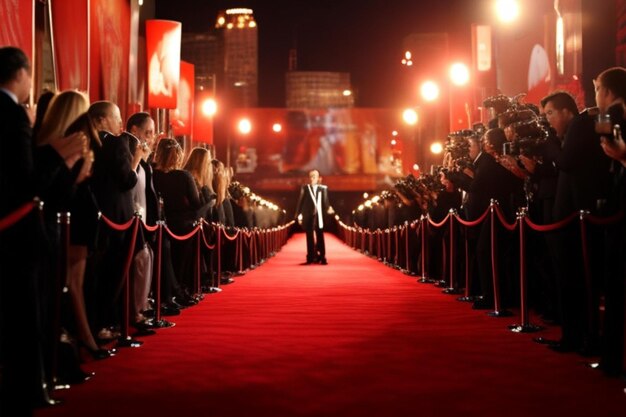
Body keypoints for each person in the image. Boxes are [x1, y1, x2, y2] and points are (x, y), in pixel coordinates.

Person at [0, 46, 87, 416]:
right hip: (19, 233)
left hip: (21, 229)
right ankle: (29, 393)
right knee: (25, 315)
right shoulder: (12, 116)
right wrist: (61, 156)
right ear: (21, 74)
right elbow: (27, 181)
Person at [294, 169, 333, 265]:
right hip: (308, 216)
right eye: (311, 176)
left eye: (314, 176)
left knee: (320, 236)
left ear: (318, 178)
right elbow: (301, 202)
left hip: (319, 216)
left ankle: (322, 256)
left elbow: (326, 202)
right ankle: (310, 257)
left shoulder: (323, 188)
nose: (312, 178)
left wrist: (329, 208)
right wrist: (298, 214)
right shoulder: (306, 188)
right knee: (309, 237)